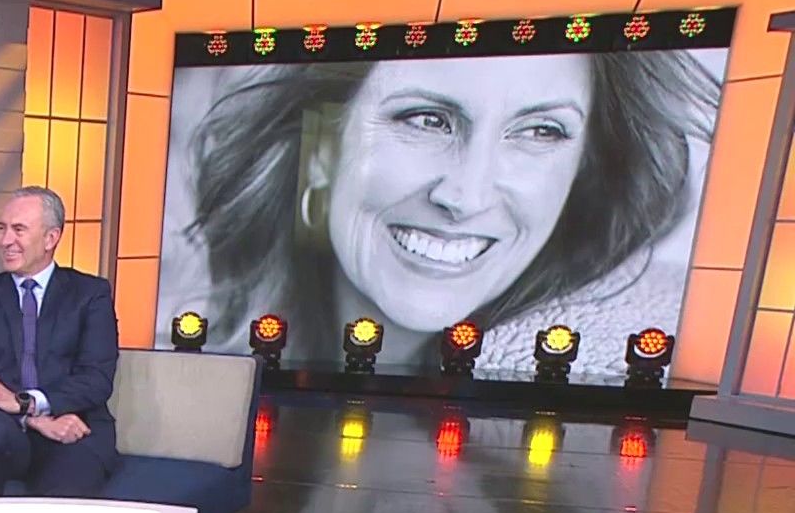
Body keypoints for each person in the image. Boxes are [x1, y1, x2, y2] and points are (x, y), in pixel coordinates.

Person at [166, 51, 720, 375]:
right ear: (322, 153)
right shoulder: (200, 360)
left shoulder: (610, 348)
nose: (466, 196)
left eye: (540, 131)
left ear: (582, 173)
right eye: (426, 119)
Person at [0, 187, 120, 497]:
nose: (5, 241)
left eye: (18, 230)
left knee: (70, 480)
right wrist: (32, 417)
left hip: (72, 422)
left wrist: (28, 403)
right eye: (2, 228)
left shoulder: (90, 294)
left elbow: (96, 379)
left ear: (50, 238)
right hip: (4, 429)